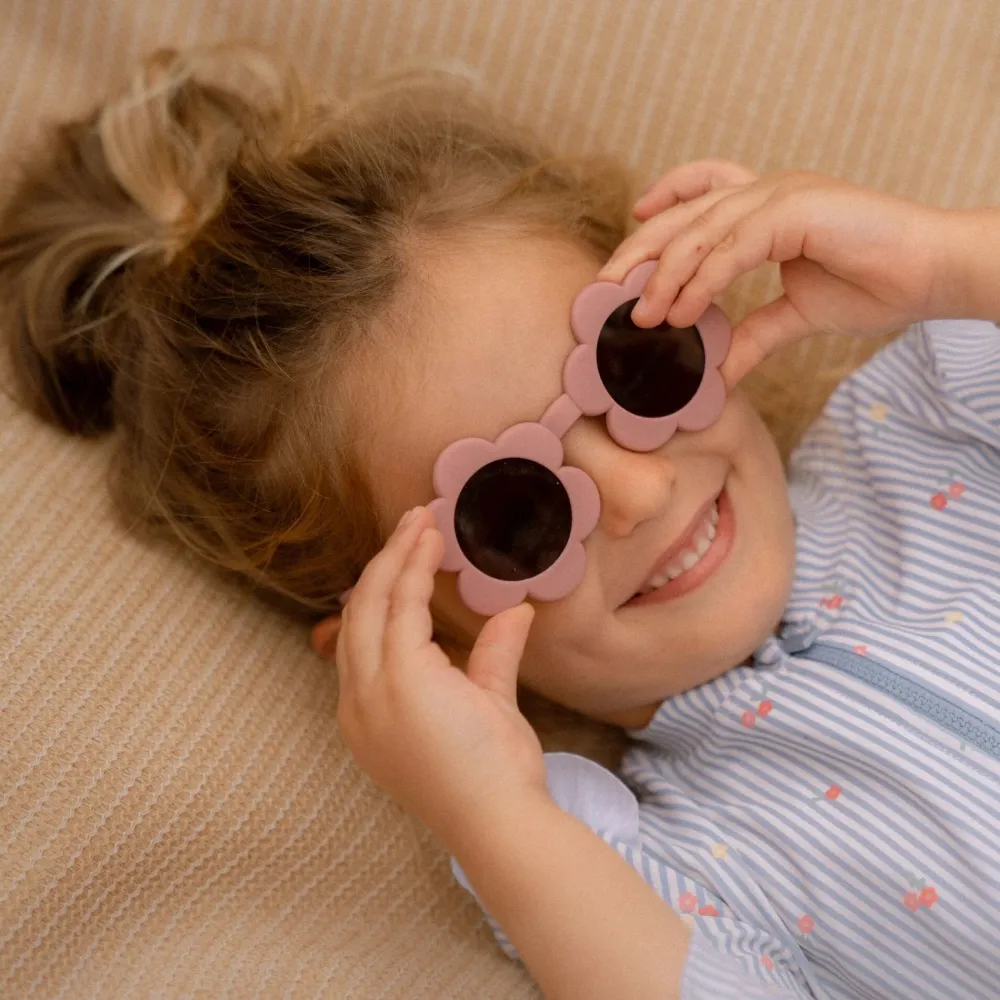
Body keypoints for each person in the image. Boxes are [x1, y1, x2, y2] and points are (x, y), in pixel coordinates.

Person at [3, 44, 999, 1000]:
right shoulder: (659, 870)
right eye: (516, 512)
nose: (640, 492)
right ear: (415, 634)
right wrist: (492, 818)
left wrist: (941, 257)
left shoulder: (930, 416)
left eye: (633, 363)